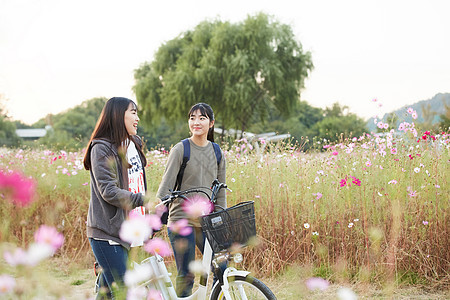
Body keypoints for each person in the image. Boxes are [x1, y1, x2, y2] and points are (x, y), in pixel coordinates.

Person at [156, 102, 226, 297]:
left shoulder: (217, 152)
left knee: (222, 267)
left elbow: (221, 190)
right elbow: (165, 189)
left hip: (206, 222)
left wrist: (220, 219)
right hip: (181, 220)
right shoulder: (181, 149)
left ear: (211, 123)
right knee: (186, 274)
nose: (196, 122)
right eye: (192, 118)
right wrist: (156, 213)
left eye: (202, 118)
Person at [83, 97, 147, 299]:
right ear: (119, 115)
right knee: (124, 292)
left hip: (129, 231)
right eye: (133, 112)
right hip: (107, 233)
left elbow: (138, 182)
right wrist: (142, 200)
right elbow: (109, 191)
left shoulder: (133, 143)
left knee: (107, 294)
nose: (137, 117)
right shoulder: (102, 148)